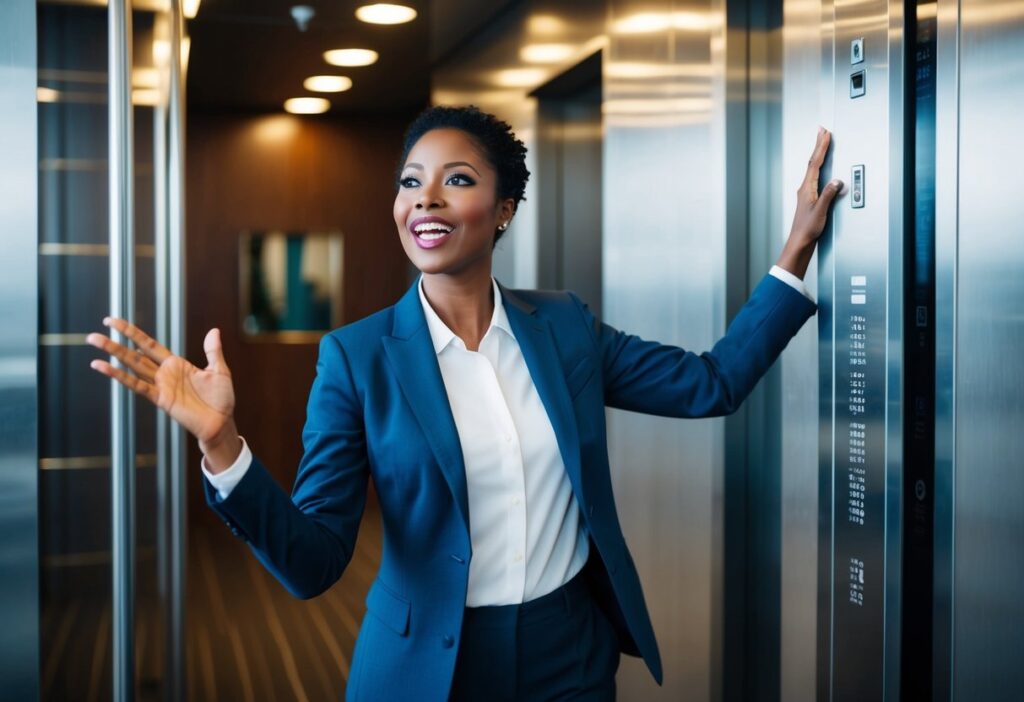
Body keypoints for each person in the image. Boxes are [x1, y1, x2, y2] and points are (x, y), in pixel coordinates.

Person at [87, 105, 842, 701]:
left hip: (569, 653)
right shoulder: (356, 358)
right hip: (429, 668)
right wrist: (223, 444)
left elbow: (710, 384)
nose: (427, 199)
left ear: (504, 208)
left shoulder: (567, 330)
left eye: (457, 179)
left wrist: (796, 250)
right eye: (411, 181)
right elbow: (315, 562)